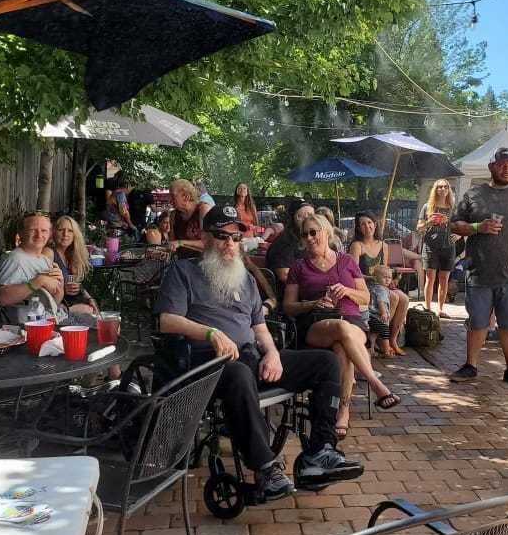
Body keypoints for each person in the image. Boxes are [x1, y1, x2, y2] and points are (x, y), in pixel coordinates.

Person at [155, 206, 364, 499]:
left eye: (236, 238)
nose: (230, 244)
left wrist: (273, 354)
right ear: (205, 238)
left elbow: (259, 326)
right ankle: (266, 470)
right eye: (221, 236)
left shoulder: (245, 278)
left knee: (327, 362)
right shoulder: (183, 272)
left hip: (250, 358)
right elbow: (167, 321)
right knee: (239, 372)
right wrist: (211, 333)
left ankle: (319, 453)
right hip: (206, 363)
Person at [284, 214, 401, 438]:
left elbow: (366, 298)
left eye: (313, 232)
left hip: (353, 322)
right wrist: (313, 302)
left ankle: (343, 410)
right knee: (341, 329)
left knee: (342, 345)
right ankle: (375, 383)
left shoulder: (346, 261)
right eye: (305, 234)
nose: (309, 238)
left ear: (326, 232)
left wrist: (346, 291)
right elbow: (288, 306)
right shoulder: (299, 266)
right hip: (317, 324)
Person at [448, 147, 508, 387]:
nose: (507, 168)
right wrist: (478, 227)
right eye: (502, 164)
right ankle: (471, 365)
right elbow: (455, 225)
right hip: (479, 273)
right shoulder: (474, 194)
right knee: (477, 322)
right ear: (491, 167)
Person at [348, 212, 408, 356]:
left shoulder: (384, 246)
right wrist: (371, 278)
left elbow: (385, 270)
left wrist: (391, 280)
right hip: (365, 284)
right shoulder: (357, 246)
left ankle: (392, 339)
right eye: (362, 224)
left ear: (375, 224)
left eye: (369, 222)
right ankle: (383, 337)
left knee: (404, 298)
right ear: (358, 227)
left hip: (380, 286)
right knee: (393, 298)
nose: (367, 226)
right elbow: (352, 273)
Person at [0, 212, 64, 322]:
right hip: (23, 327)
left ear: (50, 234)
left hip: (46, 322)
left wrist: (59, 287)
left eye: (44, 231)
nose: (39, 235)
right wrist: (39, 281)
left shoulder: (45, 260)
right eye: (33, 230)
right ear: (21, 233)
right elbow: (2, 298)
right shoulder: (15, 258)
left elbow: (55, 301)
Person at [417, 180, 456, 317]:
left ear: (449, 190)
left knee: (444, 278)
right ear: (435, 189)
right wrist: (429, 222)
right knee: (430, 278)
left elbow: (460, 226)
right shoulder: (428, 207)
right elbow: (419, 228)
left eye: (446, 187)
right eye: (440, 187)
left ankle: (440, 309)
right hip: (431, 246)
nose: (443, 189)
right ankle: (428, 308)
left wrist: (458, 235)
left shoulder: (452, 208)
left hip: (448, 246)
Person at [47, 216, 97, 314]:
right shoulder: (49, 253)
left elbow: (79, 284)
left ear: (75, 235)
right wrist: (62, 289)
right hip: (63, 310)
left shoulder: (71, 254)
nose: (65, 234)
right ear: (54, 232)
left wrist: (90, 298)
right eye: (61, 230)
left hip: (78, 305)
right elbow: (42, 287)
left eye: (70, 231)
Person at [267, 199, 315, 284]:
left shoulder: (305, 238)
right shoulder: (285, 242)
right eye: (302, 216)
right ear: (295, 218)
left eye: (312, 216)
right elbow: (284, 275)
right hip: (290, 292)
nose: (309, 219)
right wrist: (313, 283)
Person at [171, 179, 213, 259]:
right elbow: (172, 244)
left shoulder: (203, 209)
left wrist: (180, 243)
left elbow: (208, 244)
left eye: (173, 196)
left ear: (186, 197)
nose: (170, 200)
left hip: (203, 263)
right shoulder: (173, 215)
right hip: (181, 264)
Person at [367, 265, 395, 357]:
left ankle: (371, 349)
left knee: (373, 333)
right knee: (385, 330)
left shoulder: (373, 286)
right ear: (376, 278)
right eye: (384, 277)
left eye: (389, 278)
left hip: (370, 315)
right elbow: (381, 302)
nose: (387, 280)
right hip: (376, 315)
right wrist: (383, 312)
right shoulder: (381, 289)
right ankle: (387, 351)